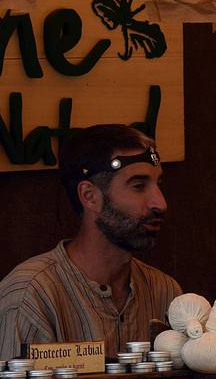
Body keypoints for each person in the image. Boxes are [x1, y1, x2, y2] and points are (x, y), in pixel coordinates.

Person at [0, 124, 179, 360]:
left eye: (159, 184)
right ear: (89, 196)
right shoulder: (31, 296)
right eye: (138, 186)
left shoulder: (165, 292)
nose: (160, 202)